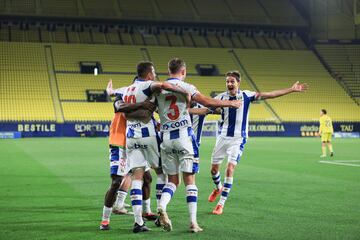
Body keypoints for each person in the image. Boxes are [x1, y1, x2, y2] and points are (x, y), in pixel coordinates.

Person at [156, 58, 241, 233]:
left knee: (172, 181)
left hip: (165, 139)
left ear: (169, 70)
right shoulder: (187, 88)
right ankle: (193, 223)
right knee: (190, 181)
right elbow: (207, 102)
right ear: (184, 71)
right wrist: (230, 102)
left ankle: (162, 207)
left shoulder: (158, 88)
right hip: (184, 139)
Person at [208, 71, 308, 215]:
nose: (229, 84)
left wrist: (291, 89)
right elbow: (209, 107)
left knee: (230, 169)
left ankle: (221, 204)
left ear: (238, 82)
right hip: (222, 138)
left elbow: (270, 94)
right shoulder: (221, 97)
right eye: (227, 81)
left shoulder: (247, 95)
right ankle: (218, 188)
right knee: (213, 170)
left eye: (232, 81)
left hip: (238, 139)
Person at [119, 61, 190, 233]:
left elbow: (122, 109)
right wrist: (185, 91)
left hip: (131, 136)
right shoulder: (148, 85)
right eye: (153, 72)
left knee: (137, 176)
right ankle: (160, 212)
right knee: (163, 174)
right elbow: (165, 85)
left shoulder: (127, 89)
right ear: (149, 73)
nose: (155, 75)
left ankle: (138, 222)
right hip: (148, 135)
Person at [100, 83, 155, 230]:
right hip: (119, 142)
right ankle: (105, 220)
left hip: (135, 142)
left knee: (147, 177)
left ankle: (145, 212)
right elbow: (118, 106)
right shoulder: (123, 96)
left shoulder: (145, 99)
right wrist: (143, 105)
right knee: (116, 181)